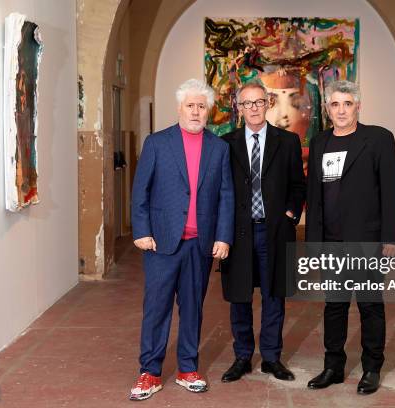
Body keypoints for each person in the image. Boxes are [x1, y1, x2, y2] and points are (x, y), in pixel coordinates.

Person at [129, 78, 234, 401]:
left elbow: (226, 195)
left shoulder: (219, 148)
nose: (196, 111)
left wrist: (223, 236)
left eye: (202, 106)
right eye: (190, 105)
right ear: (179, 108)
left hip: (199, 245)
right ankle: (150, 372)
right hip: (161, 242)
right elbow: (140, 191)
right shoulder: (157, 143)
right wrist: (142, 230)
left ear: (209, 112)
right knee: (156, 308)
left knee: (192, 309)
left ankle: (188, 368)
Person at [305, 80, 395, 395]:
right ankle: (333, 366)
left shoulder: (377, 139)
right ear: (328, 109)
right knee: (333, 306)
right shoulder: (320, 142)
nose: (341, 110)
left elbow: (392, 191)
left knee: (370, 306)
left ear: (357, 106)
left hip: (366, 240)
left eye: (347, 103)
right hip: (331, 242)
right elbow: (315, 196)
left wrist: (391, 237)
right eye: (335, 104)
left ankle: (372, 367)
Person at [220, 82, 306, 383]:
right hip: (238, 233)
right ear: (239, 108)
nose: (254, 108)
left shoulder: (288, 141)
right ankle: (242, 357)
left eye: (258, 102)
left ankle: (271, 358)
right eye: (247, 103)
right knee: (239, 296)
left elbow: (298, 185)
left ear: (267, 103)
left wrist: (289, 216)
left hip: (274, 232)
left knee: (274, 296)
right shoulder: (226, 144)